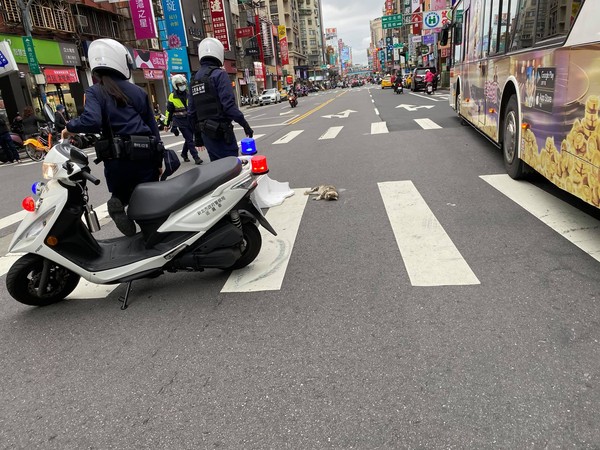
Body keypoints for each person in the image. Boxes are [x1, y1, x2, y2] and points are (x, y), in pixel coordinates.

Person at [62, 38, 162, 237]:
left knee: (122, 192)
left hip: (117, 161)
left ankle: (118, 203)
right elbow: (152, 128)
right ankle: (150, 237)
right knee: (148, 200)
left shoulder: (95, 92)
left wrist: (69, 127)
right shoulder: (138, 92)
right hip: (144, 155)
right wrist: (159, 159)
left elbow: (91, 120)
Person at [189, 37, 253, 162]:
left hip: (206, 134)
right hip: (222, 132)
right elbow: (229, 106)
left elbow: (191, 112)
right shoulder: (219, 74)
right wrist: (245, 125)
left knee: (217, 168)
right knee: (232, 167)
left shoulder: (194, 79)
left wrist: (198, 137)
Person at [164, 74, 202, 164]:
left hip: (190, 120)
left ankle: (184, 154)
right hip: (180, 121)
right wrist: (166, 124)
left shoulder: (189, 94)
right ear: (175, 85)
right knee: (189, 139)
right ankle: (196, 157)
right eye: (180, 84)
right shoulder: (172, 96)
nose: (182, 85)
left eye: (183, 83)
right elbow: (169, 111)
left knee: (188, 139)